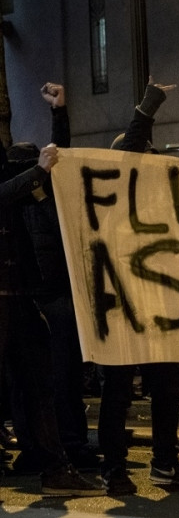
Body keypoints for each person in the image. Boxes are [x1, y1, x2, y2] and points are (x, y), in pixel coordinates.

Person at [99, 77, 179, 493]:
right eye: (142, 155)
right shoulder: (110, 196)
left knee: (164, 390)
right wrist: (149, 105)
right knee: (119, 392)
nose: (149, 160)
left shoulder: (167, 199)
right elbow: (132, 151)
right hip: (120, 302)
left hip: (160, 303)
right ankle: (115, 470)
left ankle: (162, 464)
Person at [0, 138, 104, 495]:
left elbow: (39, 172)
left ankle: (56, 469)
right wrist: (38, 170)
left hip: (18, 297)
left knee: (40, 385)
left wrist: (58, 117)